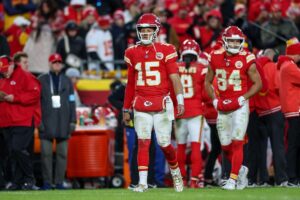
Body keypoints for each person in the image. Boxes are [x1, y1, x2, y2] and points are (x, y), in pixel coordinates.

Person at [122, 13, 185, 192]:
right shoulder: (132, 52)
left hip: (162, 103)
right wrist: (126, 107)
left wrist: (179, 100)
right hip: (141, 101)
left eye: (149, 29)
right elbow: (131, 84)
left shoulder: (166, 49)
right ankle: (142, 182)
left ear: (156, 30)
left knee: (164, 144)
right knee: (143, 142)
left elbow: (174, 77)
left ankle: (176, 173)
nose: (146, 32)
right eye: (142, 29)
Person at [205, 26, 262, 190]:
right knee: (225, 147)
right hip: (222, 105)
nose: (235, 44)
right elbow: (207, 82)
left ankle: (233, 179)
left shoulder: (247, 58)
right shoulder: (214, 56)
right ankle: (241, 169)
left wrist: (243, 98)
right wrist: (214, 100)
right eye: (232, 40)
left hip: (239, 106)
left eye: (238, 41)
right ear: (224, 41)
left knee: (237, 142)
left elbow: (258, 84)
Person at [0, 56, 40, 190]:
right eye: (2, 71)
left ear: (12, 65)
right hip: (7, 121)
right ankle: (17, 181)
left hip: (22, 119)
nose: (4, 72)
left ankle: (29, 178)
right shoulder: (4, 78)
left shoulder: (25, 76)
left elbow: (35, 94)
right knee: (13, 152)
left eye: (6, 69)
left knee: (18, 149)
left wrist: (15, 98)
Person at [38, 53, 76, 190]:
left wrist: (73, 121)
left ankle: (59, 182)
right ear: (49, 63)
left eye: (59, 62)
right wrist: (38, 121)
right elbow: (36, 103)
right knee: (46, 155)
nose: (57, 64)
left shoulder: (66, 81)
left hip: (63, 122)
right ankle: (47, 183)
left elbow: (72, 102)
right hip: (46, 122)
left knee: (62, 155)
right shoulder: (41, 80)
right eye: (54, 62)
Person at [175, 39, 207, 188]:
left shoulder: (174, 67)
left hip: (179, 112)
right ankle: (194, 180)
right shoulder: (202, 68)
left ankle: (180, 180)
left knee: (180, 147)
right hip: (195, 110)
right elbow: (207, 93)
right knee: (195, 146)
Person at [278, 38, 300, 187]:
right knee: (294, 145)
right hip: (295, 110)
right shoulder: (290, 67)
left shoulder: (286, 65)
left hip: (293, 110)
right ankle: (292, 177)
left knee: (295, 144)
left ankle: (294, 176)